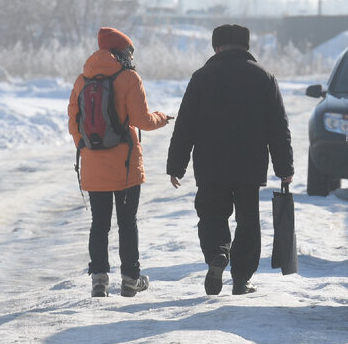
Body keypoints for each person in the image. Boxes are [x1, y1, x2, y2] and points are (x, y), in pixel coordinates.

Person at [167, 24, 294, 295]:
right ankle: (241, 279)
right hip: (249, 167)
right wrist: (284, 167)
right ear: (246, 47)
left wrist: (176, 166)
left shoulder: (202, 77)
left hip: (211, 166)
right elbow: (278, 127)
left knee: (211, 214)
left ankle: (217, 254)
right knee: (248, 220)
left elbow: (185, 125)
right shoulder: (264, 78)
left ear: (216, 47)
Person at [68, 27, 170, 298]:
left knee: (99, 224)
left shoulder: (82, 80)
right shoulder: (129, 78)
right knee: (127, 223)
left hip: (93, 165)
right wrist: (162, 117)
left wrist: (87, 147)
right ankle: (130, 279)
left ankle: (99, 279)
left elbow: (73, 124)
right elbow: (142, 121)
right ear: (122, 52)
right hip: (125, 166)